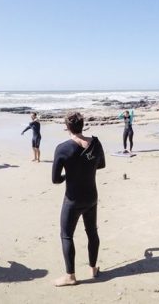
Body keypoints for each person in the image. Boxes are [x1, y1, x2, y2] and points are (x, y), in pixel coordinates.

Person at [52, 112, 105, 286]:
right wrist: (86, 168)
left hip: (73, 199)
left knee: (66, 236)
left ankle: (70, 276)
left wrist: (69, 175)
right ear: (83, 125)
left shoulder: (63, 148)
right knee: (92, 232)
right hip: (91, 196)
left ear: (67, 127)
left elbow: (55, 179)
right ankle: (93, 268)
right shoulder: (96, 144)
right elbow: (101, 164)